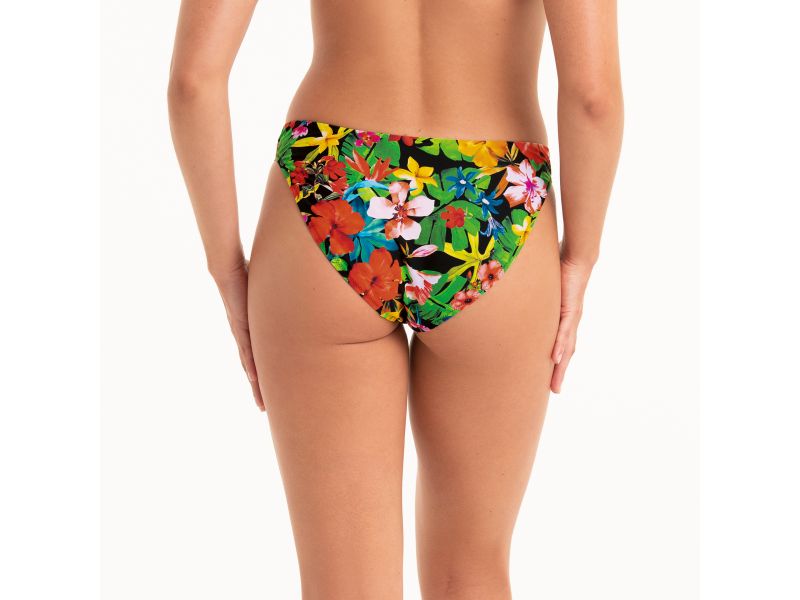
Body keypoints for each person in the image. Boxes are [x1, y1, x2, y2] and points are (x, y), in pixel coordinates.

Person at [168, 0, 623, 597]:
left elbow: (193, 81)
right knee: (472, 571)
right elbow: (593, 97)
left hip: (334, 182)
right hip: (493, 198)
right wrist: (579, 258)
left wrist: (227, 266)